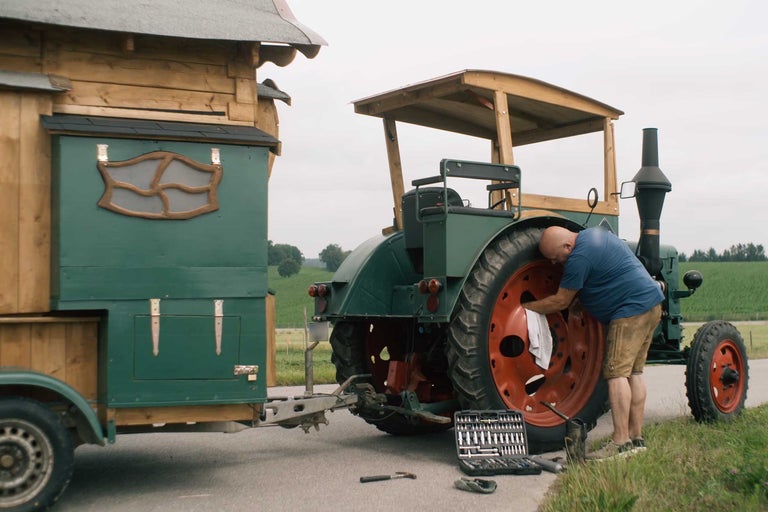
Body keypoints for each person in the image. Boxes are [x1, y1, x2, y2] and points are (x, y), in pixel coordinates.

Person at [523, 225, 663, 460]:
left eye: (557, 258)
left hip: (630, 311)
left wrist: (527, 308)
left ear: (567, 246)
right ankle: (636, 439)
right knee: (634, 373)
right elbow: (603, 276)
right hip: (651, 305)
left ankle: (620, 443)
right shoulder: (595, 236)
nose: (557, 264)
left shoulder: (579, 256)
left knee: (616, 373)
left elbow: (560, 301)